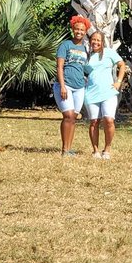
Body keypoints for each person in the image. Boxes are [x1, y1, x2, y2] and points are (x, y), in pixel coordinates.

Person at [84, 31, 127, 160]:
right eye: (93, 40)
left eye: (98, 40)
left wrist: (118, 82)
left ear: (102, 42)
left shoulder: (109, 53)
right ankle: (95, 150)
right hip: (91, 93)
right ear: (90, 41)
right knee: (94, 121)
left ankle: (107, 149)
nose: (95, 42)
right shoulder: (87, 56)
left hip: (108, 92)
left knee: (108, 120)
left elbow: (122, 65)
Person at [54, 15, 91, 157]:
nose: (79, 32)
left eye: (82, 30)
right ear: (73, 29)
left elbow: (86, 68)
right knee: (68, 115)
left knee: (73, 117)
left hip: (79, 87)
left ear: (85, 31)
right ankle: (64, 149)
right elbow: (59, 67)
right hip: (65, 86)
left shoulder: (85, 49)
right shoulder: (65, 45)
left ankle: (69, 149)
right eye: (77, 29)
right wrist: (62, 86)